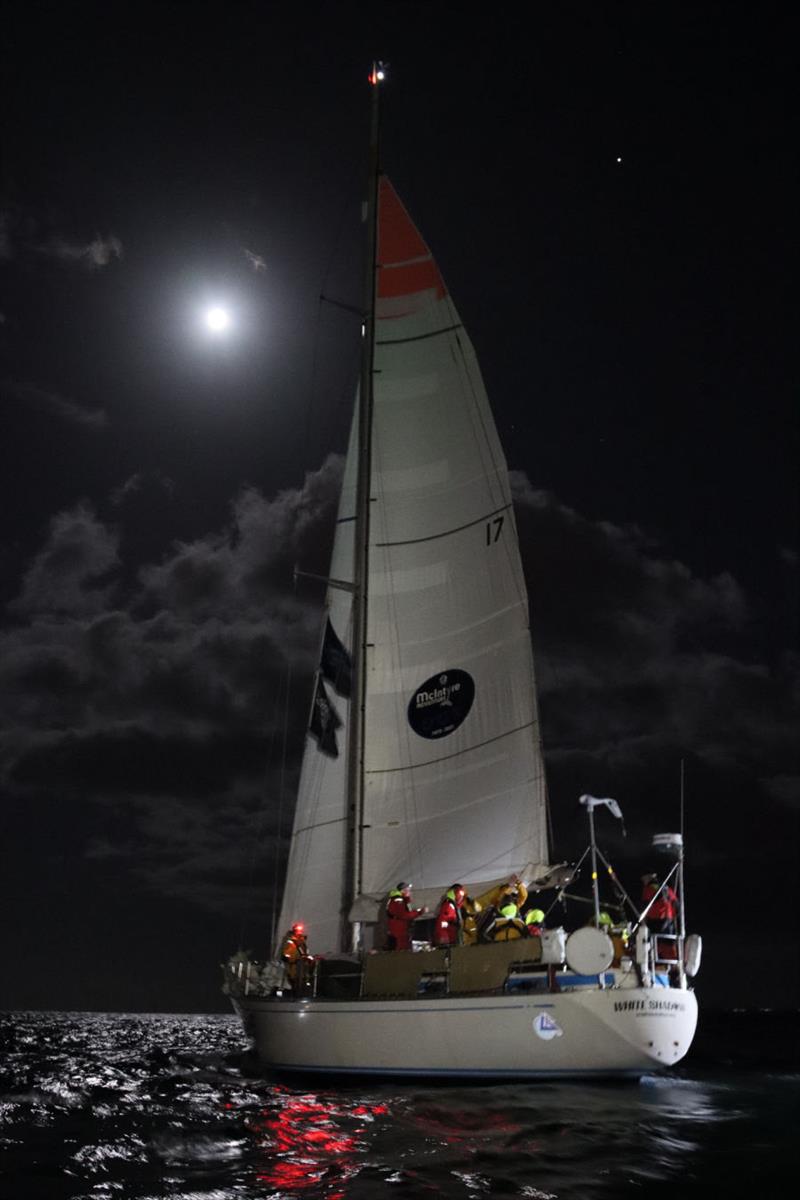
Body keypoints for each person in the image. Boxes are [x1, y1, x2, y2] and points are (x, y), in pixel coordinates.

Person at [384, 881, 427, 951]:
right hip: (398, 930)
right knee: (399, 950)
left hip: (401, 929)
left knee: (403, 948)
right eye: (408, 890)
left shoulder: (403, 900)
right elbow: (404, 915)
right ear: (403, 891)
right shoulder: (398, 900)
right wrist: (420, 912)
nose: (410, 892)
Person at [279, 922, 312, 996]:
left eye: (300, 930)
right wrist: (287, 959)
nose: (299, 932)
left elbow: (305, 953)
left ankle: (299, 995)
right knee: (294, 982)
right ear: (294, 931)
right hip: (294, 966)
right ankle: (294, 995)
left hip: (303, 966)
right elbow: (286, 952)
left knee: (302, 982)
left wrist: (310, 959)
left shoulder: (303, 942)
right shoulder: (291, 941)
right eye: (297, 930)